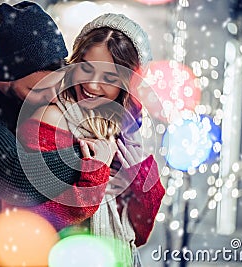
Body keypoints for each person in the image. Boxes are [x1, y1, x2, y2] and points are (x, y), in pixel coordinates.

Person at [0, 1, 102, 266]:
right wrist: (91, 157)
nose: (50, 97)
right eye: (36, 91)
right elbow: (20, 176)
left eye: (56, 85)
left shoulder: (55, 93)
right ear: (5, 76)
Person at [15, 13, 165, 266]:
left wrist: (138, 179)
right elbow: (37, 219)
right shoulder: (50, 120)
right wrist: (95, 172)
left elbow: (139, 234)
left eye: (109, 78)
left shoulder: (124, 131)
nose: (92, 85)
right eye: (86, 67)